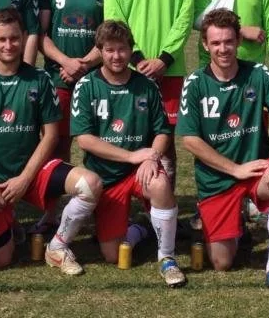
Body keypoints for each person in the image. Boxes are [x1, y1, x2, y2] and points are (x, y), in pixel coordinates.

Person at [0, 8, 102, 274]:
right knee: (2, 260)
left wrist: (24, 178)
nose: (8, 45)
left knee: (90, 184)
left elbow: (51, 135)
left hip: (31, 173)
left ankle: (57, 246)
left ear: (23, 37)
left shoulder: (40, 79)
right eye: (1, 39)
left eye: (14, 38)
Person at [177, 8, 269, 299]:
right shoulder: (195, 83)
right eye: (216, 43)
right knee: (222, 263)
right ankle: (234, 222)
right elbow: (190, 140)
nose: (223, 49)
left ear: (237, 41)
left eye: (228, 41)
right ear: (205, 45)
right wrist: (234, 169)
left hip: (256, 170)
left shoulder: (257, 73)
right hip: (217, 179)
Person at [71, 21, 186, 287]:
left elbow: (163, 132)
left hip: (140, 171)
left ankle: (167, 257)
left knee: (160, 184)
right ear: (100, 51)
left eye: (122, 49)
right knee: (113, 255)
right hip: (106, 177)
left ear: (131, 50)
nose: (116, 56)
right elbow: (85, 140)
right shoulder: (87, 85)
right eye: (109, 50)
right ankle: (141, 227)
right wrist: (131, 156)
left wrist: (152, 157)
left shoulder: (146, 86)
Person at [104, 0, 196, 186]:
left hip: (170, 68)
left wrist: (164, 58)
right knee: (129, 135)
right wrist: (137, 57)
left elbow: (185, 14)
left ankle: (163, 204)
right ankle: (126, 201)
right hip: (129, 68)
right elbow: (114, 15)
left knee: (165, 140)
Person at [36, 0, 105, 163]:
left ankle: (96, 188)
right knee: (57, 146)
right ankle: (57, 188)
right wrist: (66, 62)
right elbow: (40, 35)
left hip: (95, 80)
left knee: (98, 145)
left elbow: (108, 37)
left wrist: (83, 65)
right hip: (58, 79)